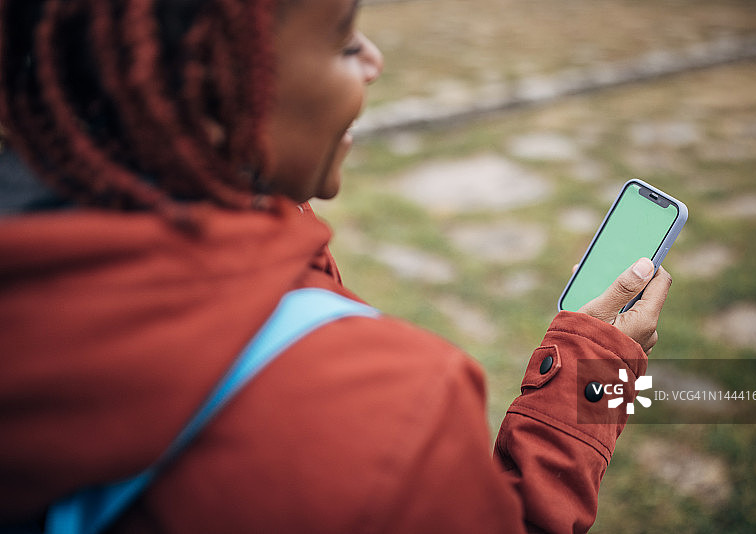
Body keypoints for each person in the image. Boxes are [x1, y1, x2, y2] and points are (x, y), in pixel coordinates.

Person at [0, 0, 672, 532]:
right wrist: (592, 374)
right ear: (212, 78)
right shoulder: (389, 412)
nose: (373, 60)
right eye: (346, 38)